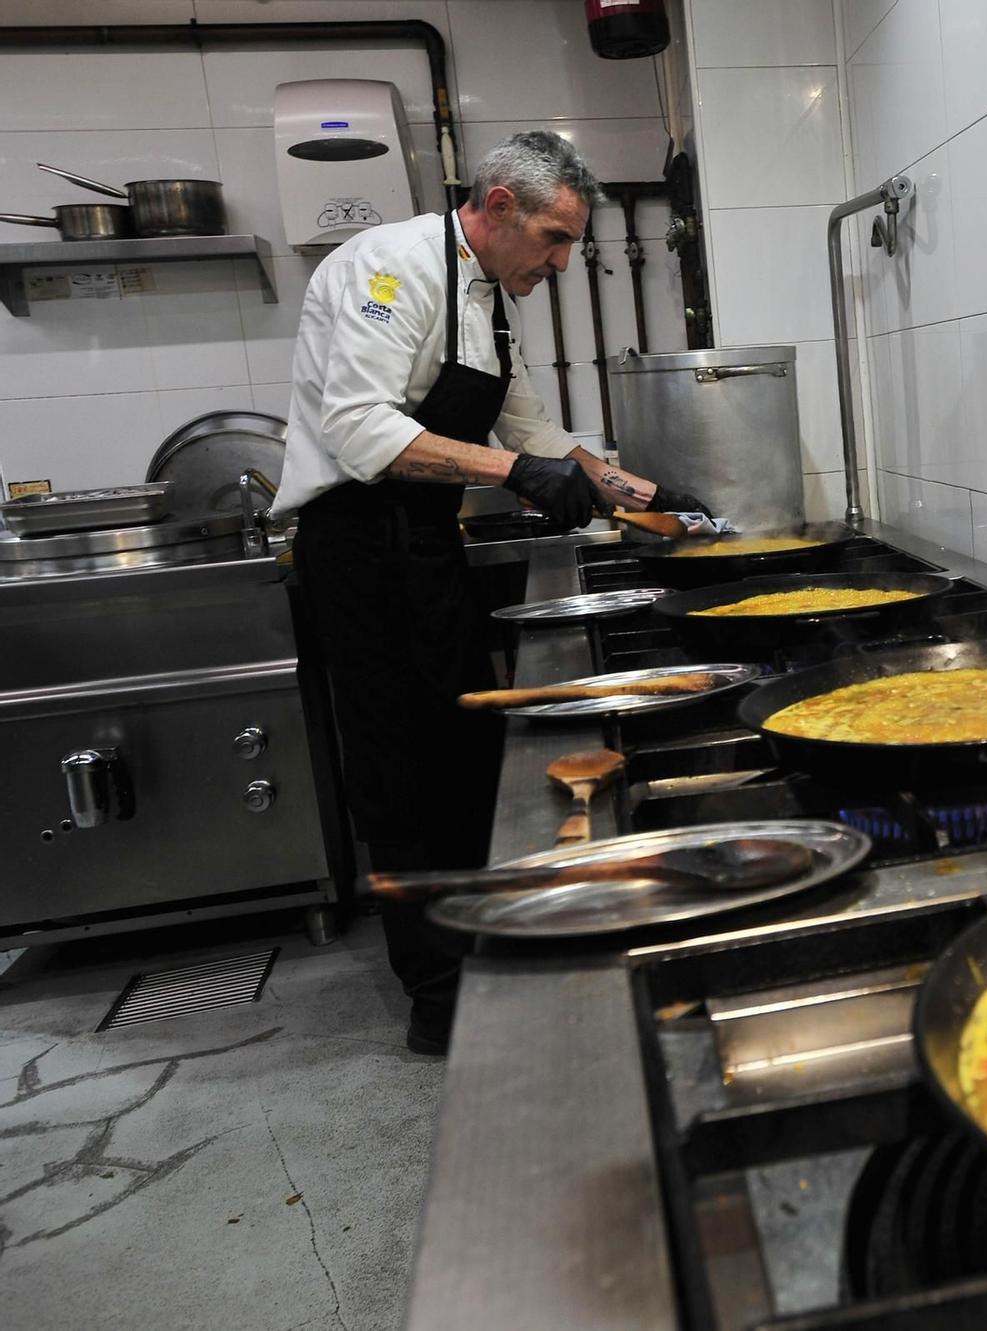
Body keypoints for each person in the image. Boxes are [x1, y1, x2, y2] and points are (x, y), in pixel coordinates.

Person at [272, 131, 704, 1054]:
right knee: (400, 776)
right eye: (552, 239)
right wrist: (515, 473)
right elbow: (358, 430)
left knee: (465, 752)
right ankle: (438, 1001)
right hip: (355, 546)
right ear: (499, 205)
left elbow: (537, 432)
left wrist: (648, 494)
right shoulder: (389, 269)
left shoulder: (488, 300)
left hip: (423, 545)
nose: (558, 262)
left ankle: (486, 957)